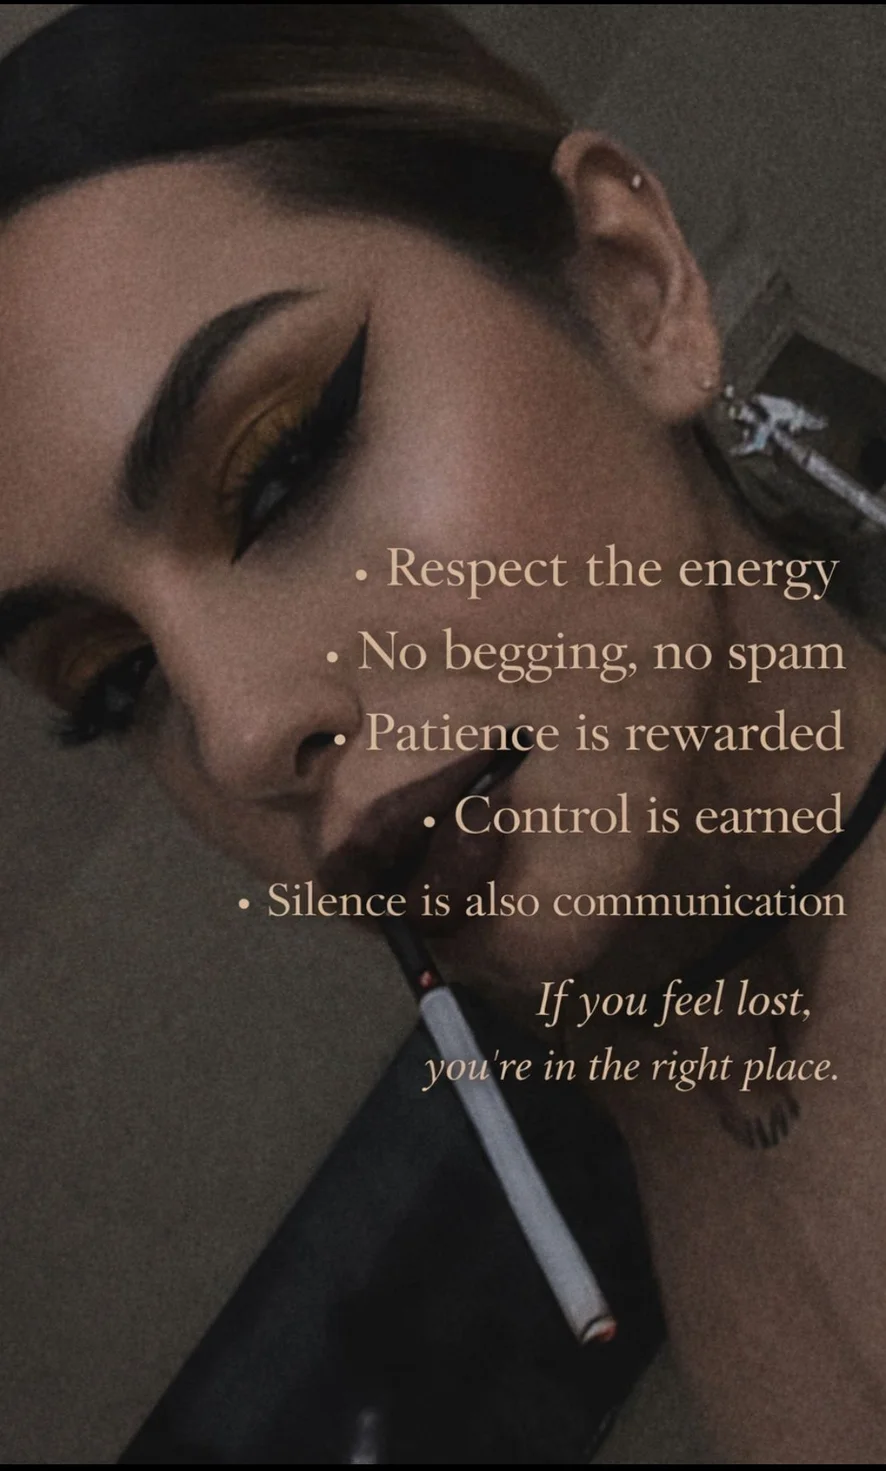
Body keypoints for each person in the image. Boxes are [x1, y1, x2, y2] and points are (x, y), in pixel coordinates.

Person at [1, 4, 884, 1462]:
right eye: (113, 682)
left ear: (632, 287)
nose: (235, 734)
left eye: (278, 467)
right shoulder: (653, 1085)